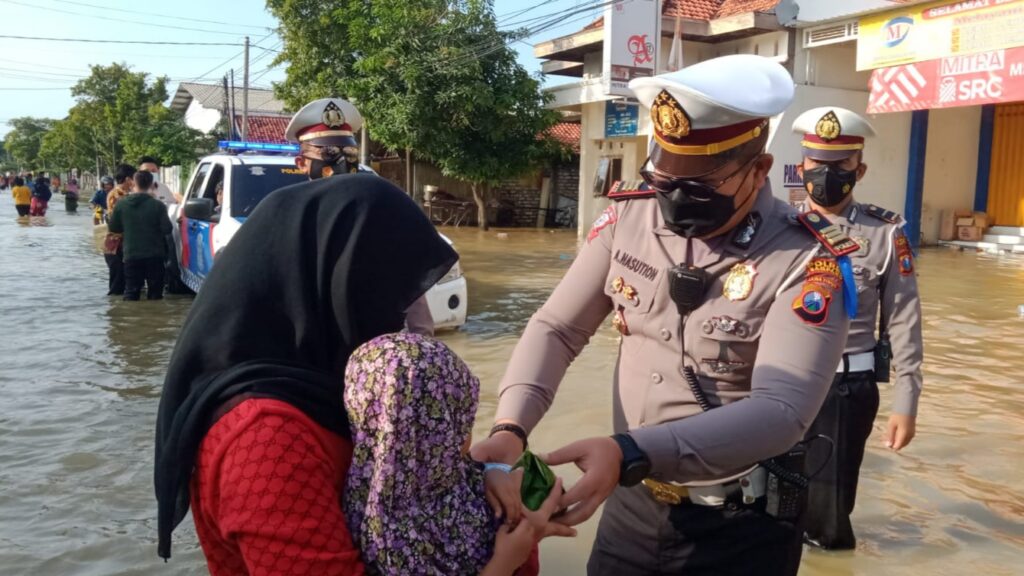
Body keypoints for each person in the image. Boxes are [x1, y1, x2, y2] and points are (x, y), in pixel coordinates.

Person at [470, 55, 860, 576]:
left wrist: (630, 450)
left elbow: (783, 411)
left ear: (758, 170)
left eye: (698, 187)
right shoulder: (631, 215)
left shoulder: (806, 258)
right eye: (663, 180)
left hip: (741, 529)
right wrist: (510, 428)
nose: (674, 201)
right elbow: (557, 328)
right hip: (629, 508)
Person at [155, 174, 459, 573]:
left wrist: (494, 475)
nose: (398, 319)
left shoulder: (329, 386)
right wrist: (508, 555)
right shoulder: (265, 437)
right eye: (387, 294)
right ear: (338, 284)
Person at [791, 107, 924, 550]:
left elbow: (904, 319)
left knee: (826, 523)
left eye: (840, 166)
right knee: (764, 505)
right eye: (817, 164)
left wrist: (906, 400)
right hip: (776, 383)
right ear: (801, 166)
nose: (826, 174)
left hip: (844, 390)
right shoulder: (775, 227)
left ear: (859, 169)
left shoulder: (886, 234)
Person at [343, 332, 570, 575]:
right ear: (438, 433)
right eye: (461, 420)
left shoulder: (358, 500)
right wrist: (505, 563)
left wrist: (493, 470)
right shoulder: (389, 542)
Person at [285, 97, 435, 336]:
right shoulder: (284, 218)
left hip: (373, 357)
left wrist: (420, 344)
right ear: (302, 163)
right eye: (329, 152)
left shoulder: (379, 214)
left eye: (350, 152)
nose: (342, 161)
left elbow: (410, 288)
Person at [107, 171, 173, 301]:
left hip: (131, 255)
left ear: (133, 183)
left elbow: (114, 228)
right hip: (155, 255)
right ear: (151, 185)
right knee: (155, 294)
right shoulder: (158, 205)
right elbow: (167, 229)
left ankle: (131, 319)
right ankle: (154, 320)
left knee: (131, 292)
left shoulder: (121, 204)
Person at [102, 165, 135, 296]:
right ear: (128, 179)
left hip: (119, 243)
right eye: (134, 178)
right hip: (116, 244)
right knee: (118, 282)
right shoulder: (118, 195)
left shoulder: (124, 194)